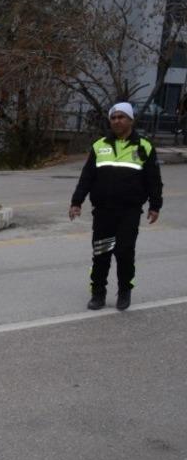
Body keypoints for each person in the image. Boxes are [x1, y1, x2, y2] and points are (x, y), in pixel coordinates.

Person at [69, 101, 162, 311]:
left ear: (131, 120)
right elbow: (87, 177)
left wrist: (155, 205)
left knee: (124, 252)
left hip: (129, 211)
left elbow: (153, 180)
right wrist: (76, 202)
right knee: (101, 254)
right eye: (113, 117)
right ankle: (98, 294)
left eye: (121, 117)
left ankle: (124, 291)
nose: (117, 121)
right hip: (103, 211)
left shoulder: (144, 147)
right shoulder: (99, 146)